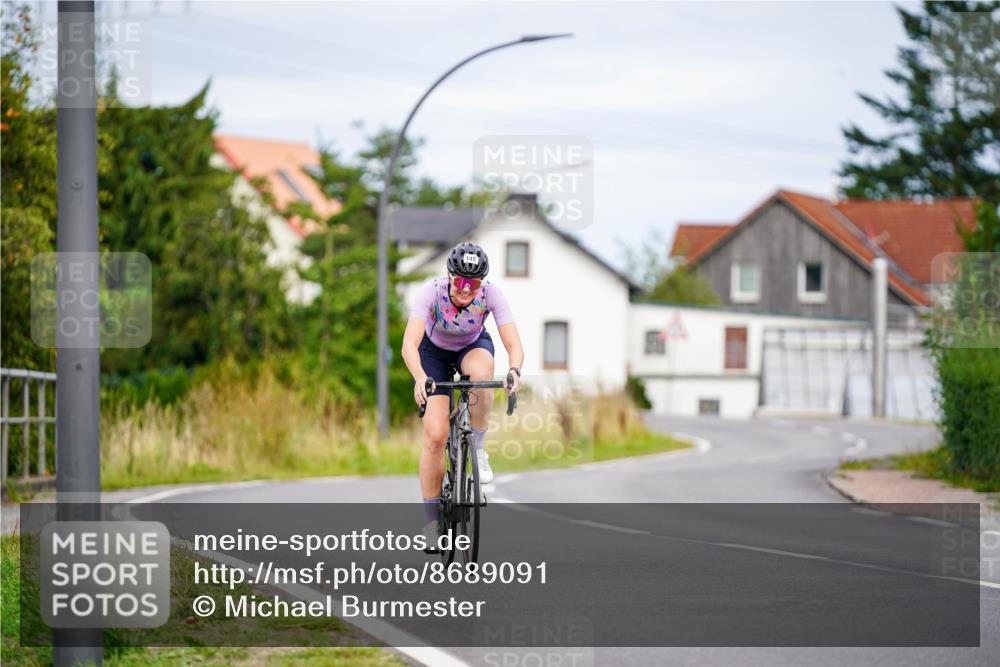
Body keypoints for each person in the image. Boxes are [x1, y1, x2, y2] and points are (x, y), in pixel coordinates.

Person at [401, 242, 524, 544]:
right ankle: (431, 522)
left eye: (475, 283)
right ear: (449, 277)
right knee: (435, 436)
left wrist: (515, 370)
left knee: (483, 375)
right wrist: (420, 378)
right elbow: (409, 345)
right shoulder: (432, 292)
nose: (467, 289)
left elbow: (514, 344)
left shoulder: (490, 294)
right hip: (433, 353)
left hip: (471, 346)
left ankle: (477, 449)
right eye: (461, 281)